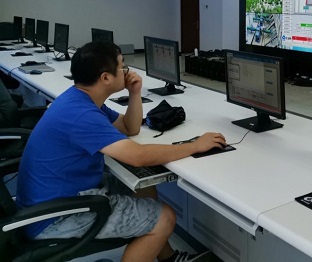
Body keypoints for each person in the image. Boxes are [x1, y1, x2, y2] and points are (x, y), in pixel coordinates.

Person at [16, 42, 227, 262]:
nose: (126, 71)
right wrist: (195, 145)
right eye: (122, 66)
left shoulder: (81, 99)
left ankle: (168, 258)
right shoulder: (82, 114)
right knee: (165, 218)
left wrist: (134, 93)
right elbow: (137, 157)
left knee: (143, 186)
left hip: (56, 198)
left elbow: (129, 127)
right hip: (55, 218)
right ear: (106, 77)